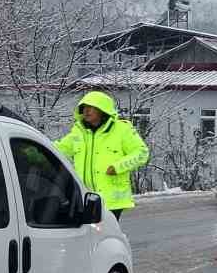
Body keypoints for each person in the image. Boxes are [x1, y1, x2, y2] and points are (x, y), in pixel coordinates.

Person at [54, 91, 150, 220]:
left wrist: (118, 167)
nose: (86, 111)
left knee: (102, 235)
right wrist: (35, 149)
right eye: (84, 108)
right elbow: (60, 149)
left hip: (111, 201)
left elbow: (142, 153)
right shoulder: (79, 131)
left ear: (102, 109)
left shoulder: (121, 130)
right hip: (84, 196)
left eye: (91, 107)